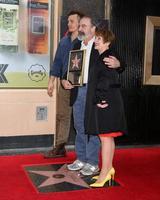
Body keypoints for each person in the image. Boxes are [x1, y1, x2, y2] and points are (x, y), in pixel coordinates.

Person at [62, 15, 125, 175]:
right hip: (78, 90)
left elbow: (119, 63)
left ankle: (92, 162)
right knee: (79, 126)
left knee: (94, 127)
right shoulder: (76, 44)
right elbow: (67, 67)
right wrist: (64, 80)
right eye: (80, 26)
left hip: (95, 91)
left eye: (83, 26)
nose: (80, 28)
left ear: (93, 29)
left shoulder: (101, 45)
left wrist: (119, 64)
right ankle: (81, 158)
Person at [84, 23, 127, 187]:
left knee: (106, 137)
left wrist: (101, 99)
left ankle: (104, 173)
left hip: (106, 101)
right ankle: (108, 169)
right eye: (96, 38)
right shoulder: (102, 55)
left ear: (107, 42)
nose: (96, 41)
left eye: (99, 39)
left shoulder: (108, 56)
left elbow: (108, 81)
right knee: (107, 137)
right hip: (106, 100)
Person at [44, 11, 84, 158]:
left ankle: (84, 154)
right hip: (63, 83)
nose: (69, 24)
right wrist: (51, 82)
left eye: (72, 21)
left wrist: (72, 80)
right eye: (68, 21)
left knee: (81, 118)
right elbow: (57, 63)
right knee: (62, 115)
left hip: (81, 85)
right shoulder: (64, 41)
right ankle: (60, 147)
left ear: (80, 23)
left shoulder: (85, 41)